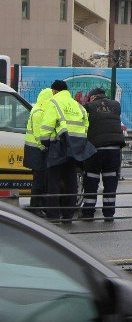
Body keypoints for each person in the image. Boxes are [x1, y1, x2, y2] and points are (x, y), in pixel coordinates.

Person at [36, 80, 96, 222]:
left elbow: (46, 127)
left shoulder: (54, 102)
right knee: (71, 182)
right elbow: (86, 126)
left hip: (58, 146)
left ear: (55, 91)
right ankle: (68, 215)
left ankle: (53, 215)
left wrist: (45, 143)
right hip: (76, 148)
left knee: (54, 183)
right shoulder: (77, 105)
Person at [82, 87, 125, 221]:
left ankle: (88, 213)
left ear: (93, 97)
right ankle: (109, 214)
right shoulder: (116, 105)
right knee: (111, 182)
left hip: (96, 149)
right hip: (114, 149)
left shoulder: (88, 106)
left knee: (91, 180)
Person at [23, 88, 53, 217]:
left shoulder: (38, 110)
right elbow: (39, 134)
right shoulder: (39, 112)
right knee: (39, 181)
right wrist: (44, 148)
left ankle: (39, 205)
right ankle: (36, 207)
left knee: (40, 180)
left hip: (34, 150)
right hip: (37, 150)